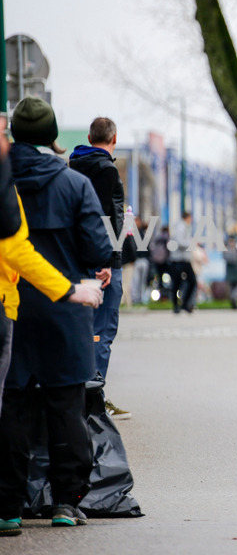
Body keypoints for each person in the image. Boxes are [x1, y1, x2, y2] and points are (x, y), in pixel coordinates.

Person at [1, 97, 113, 529]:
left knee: (9, 404)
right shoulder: (73, 184)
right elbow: (96, 248)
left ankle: (8, 506)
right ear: (53, 138)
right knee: (65, 404)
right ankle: (66, 501)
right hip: (65, 304)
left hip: (8, 304)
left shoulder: (2, 181)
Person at [69, 116, 131, 419]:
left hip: (78, 259)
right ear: (114, 139)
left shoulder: (73, 166)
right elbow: (104, 217)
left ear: (89, 136)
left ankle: (82, 395)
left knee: (86, 331)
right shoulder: (106, 170)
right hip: (104, 263)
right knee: (103, 332)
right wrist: (106, 261)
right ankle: (94, 401)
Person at [169, 212, 197, 313]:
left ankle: (184, 304)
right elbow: (180, 241)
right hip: (178, 259)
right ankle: (177, 305)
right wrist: (192, 243)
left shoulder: (184, 227)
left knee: (191, 281)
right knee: (178, 282)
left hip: (184, 259)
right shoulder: (181, 227)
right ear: (187, 218)